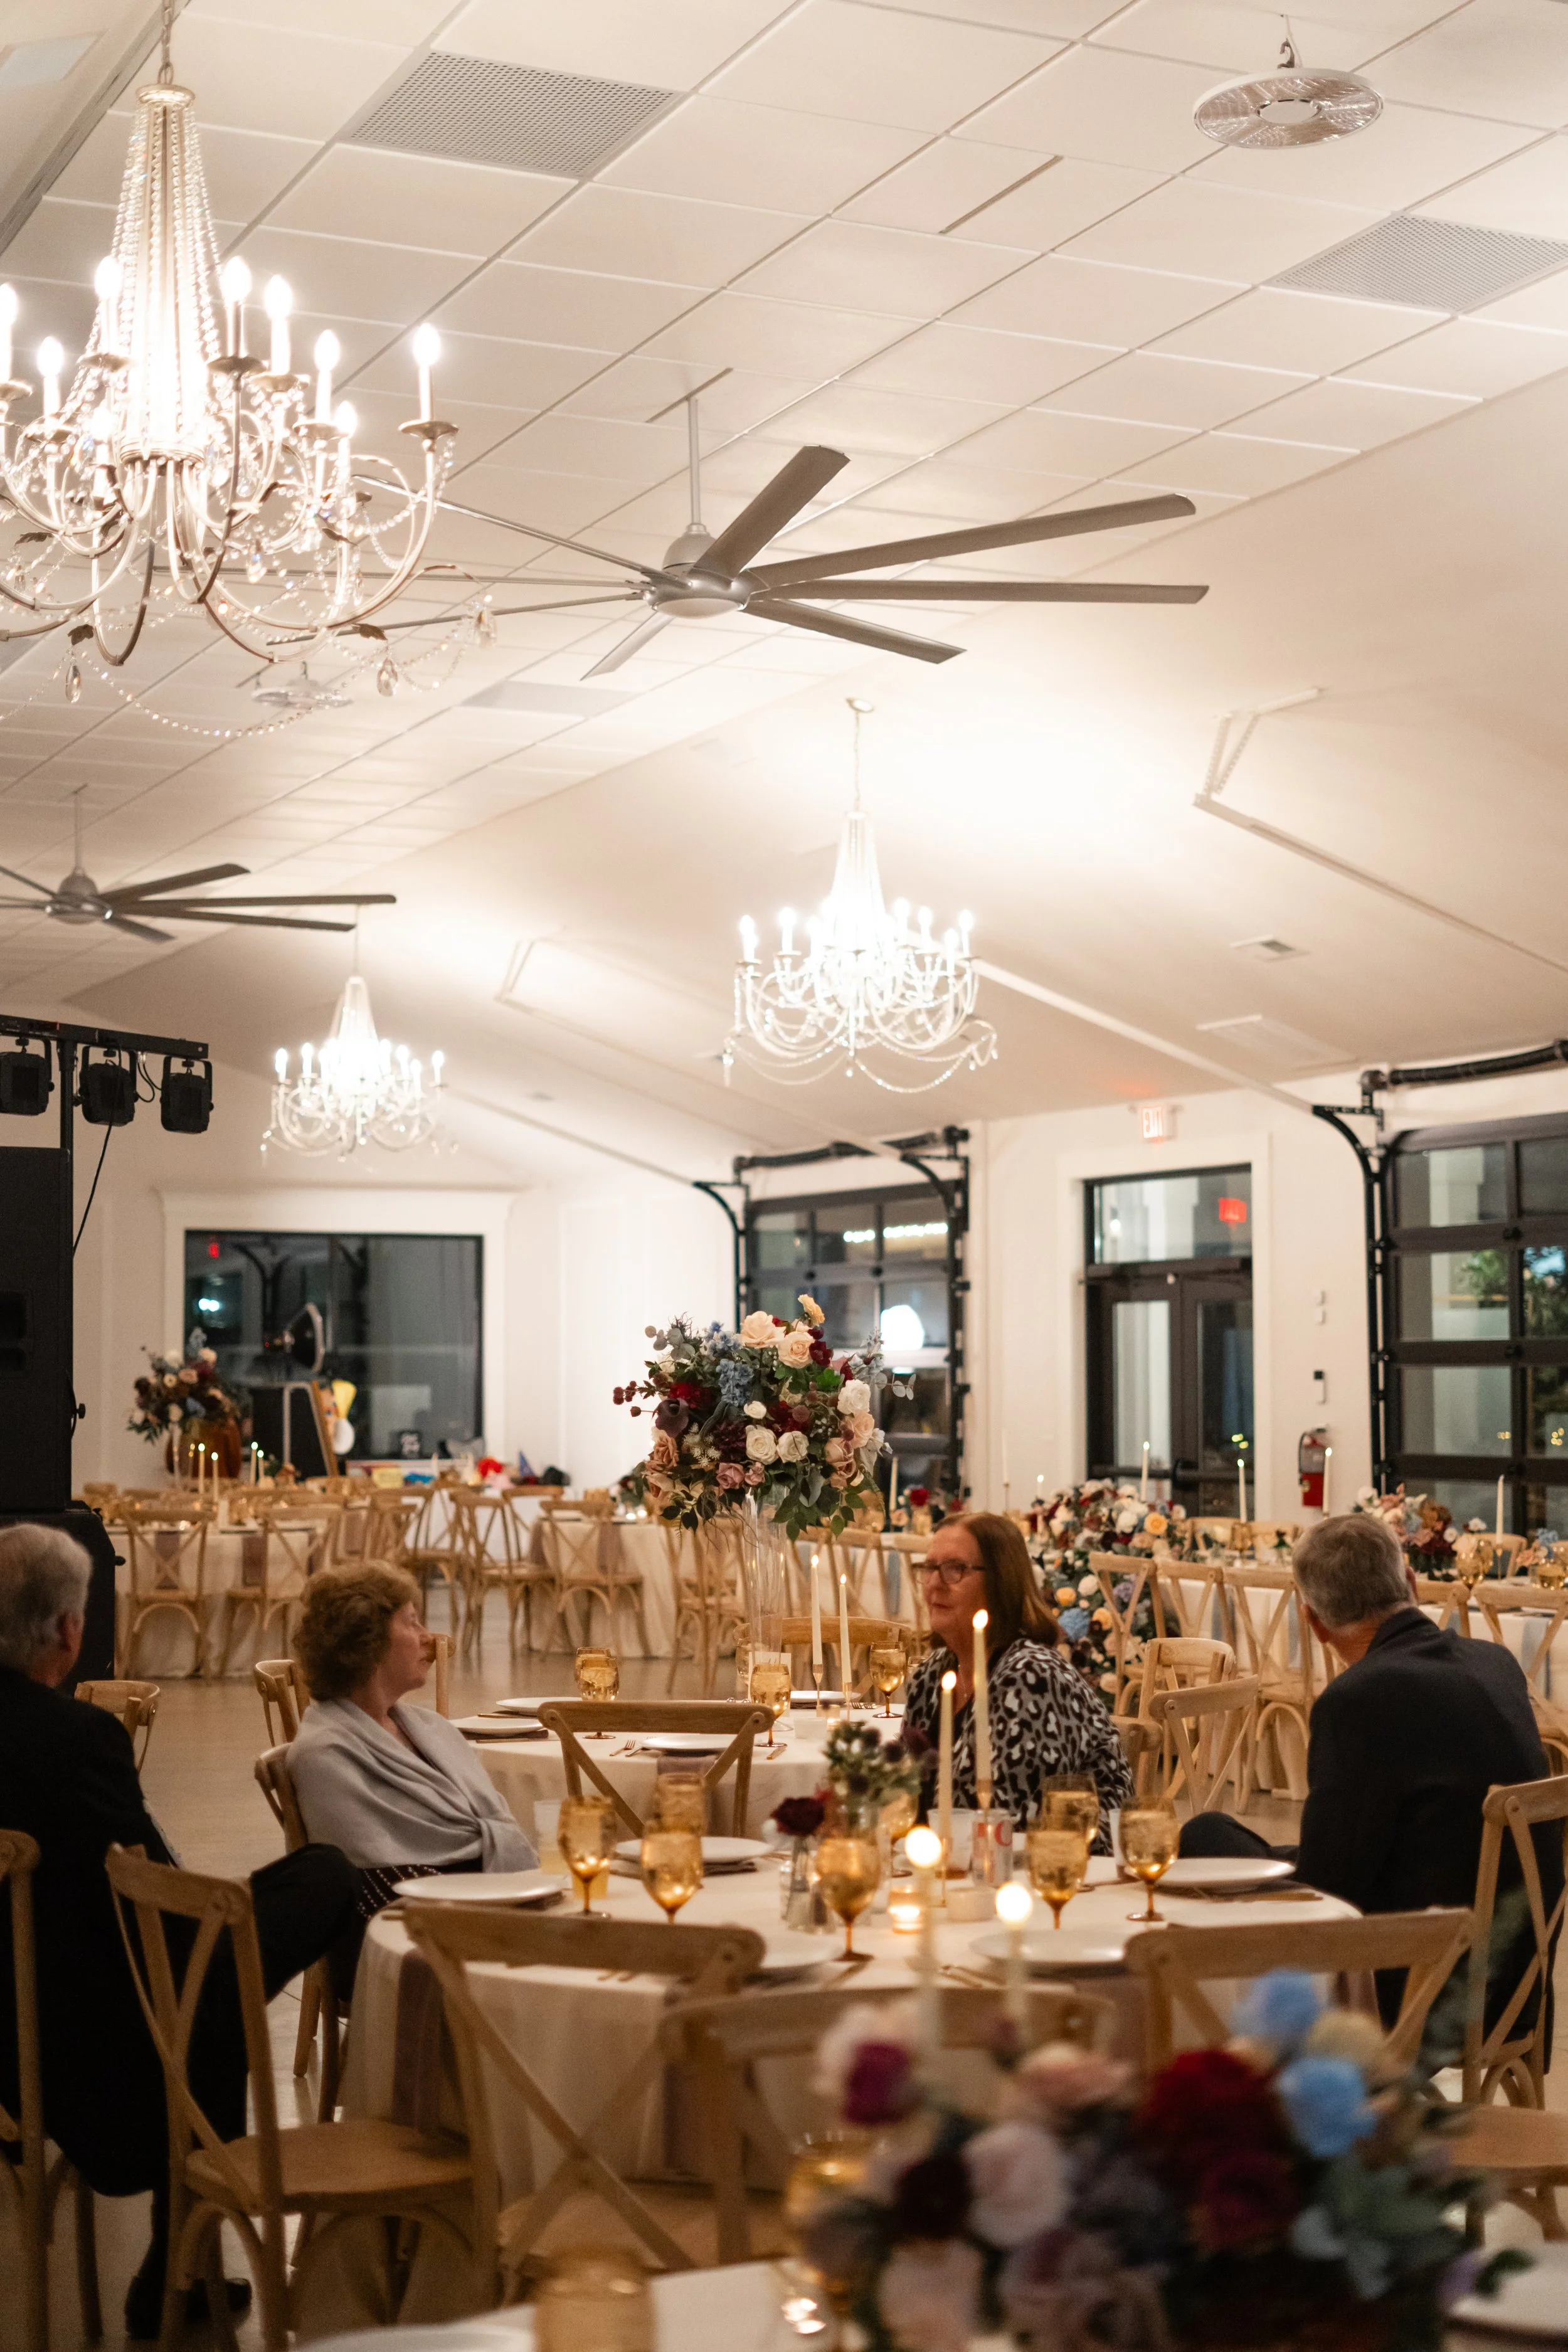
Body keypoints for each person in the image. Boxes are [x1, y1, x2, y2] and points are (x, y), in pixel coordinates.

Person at [0, 1523, 354, 2339]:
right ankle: (175, 2265)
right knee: (296, 1899)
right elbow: (154, 1892)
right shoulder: (78, 1738)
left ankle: (177, 2265)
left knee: (213, 1980)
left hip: (15, 2025)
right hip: (86, 2039)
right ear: (68, 1629)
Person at [1182, 1515, 1561, 1997]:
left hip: (1421, 1982)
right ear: (1411, 1582)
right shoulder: (1496, 1663)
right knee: (1223, 1837)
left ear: (1313, 1622)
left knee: (1204, 1837)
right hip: (1517, 1977)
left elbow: (1329, 1890)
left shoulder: (1359, 1698)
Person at [289, 1562, 536, 1949]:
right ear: (367, 1643)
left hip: (470, 1900)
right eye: (412, 1623)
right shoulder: (325, 1754)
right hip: (407, 1931)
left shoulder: (428, 1728)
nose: (428, 1637)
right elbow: (372, 1876)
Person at [901, 1512, 1134, 1841]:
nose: (934, 1584)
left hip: (1078, 1871)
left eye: (955, 1569)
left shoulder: (1031, 1677)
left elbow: (1017, 1825)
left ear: (1000, 1582)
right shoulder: (931, 1675)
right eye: (928, 1568)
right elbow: (905, 1799)